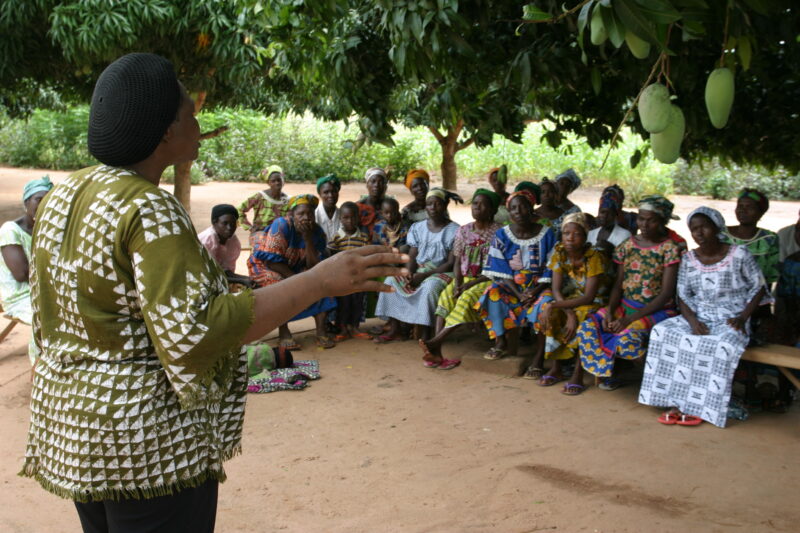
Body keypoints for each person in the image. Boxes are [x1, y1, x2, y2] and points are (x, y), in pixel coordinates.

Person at [22, 53, 407, 533]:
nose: (198, 121)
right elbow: (195, 334)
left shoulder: (64, 194)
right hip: (145, 443)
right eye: (189, 113)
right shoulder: (148, 208)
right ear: (165, 131)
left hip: (74, 428)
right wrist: (320, 280)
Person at [638, 207, 767, 427]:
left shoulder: (739, 254)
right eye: (694, 229)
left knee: (720, 345)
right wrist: (693, 322)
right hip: (699, 315)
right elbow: (683, 295)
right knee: (663, 332)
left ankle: (702, 406)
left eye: (704, 227)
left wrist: (743, 317)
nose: (699, 233)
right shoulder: (688, 259)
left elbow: (759, 287)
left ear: (716, 227)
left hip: (731, 318)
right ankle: (676, 402)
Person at [576, 195, 683, 390]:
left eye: (651, 219)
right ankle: (608, 371)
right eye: (641, 218)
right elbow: (618, 285)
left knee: (627, 340)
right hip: (626, 306)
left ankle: (658, 382)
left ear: (662, 221)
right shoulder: (628, 245)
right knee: (588, 327)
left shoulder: (669, 249)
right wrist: (610, 310)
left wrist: (627, 320)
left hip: (656, 311)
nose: (644, 224)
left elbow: (666, 294)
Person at [528, 213, 613, 394]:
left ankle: (578, 373)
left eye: (576, 234)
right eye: (566, 233)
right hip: (570, 298)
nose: (570, 238)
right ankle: (556, 367)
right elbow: (556, 289)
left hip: (595, 300)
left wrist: (559, 306)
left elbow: (589, 297)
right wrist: (567, 312)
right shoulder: (559, 252)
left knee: (584, 318)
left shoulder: (594, 257)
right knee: (549, 312)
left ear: (585, 236)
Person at [418, 189, 503, 369]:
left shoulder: (499, 233)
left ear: (493, 210)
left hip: (486, 280)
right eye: (475, 203)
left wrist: (469, 284)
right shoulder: (464, 231)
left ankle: (434, 342)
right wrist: (457, 283)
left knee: (465, 299)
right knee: (446, 297)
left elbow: (495, 268)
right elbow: (457, 261)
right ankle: (437, 352)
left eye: (482, 205)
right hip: (463, 278)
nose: (477, 207)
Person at [249, 194, 338, 349]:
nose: (306, 218)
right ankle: (284, 332)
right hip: (265, 266)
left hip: (295, 266)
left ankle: (321, 331)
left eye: (310, 214)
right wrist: (296, 280)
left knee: (321, 283)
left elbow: (315, 266)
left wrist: (308, 239)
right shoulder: (281, 225)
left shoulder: (316, 232)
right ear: (291, 215)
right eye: (301, 214)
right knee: (280, 286)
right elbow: (271, 261)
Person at [477, 188, 557, 360]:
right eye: (513, 208)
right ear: (509, 212)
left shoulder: (547, 233)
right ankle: (500, 342)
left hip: (540, 288)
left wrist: (534, 292)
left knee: (547, 304)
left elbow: (553, 266)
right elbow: (499, 268)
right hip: (512, 288)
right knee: (492, 293)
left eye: (523, 207)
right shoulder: (502, 235)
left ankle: (539, 356)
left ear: (531, 208)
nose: (518, 212)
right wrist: (519, 294)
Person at [374, 189, 459, 342]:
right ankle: (395, 329)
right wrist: (409, 273)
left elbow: (450, 263)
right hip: (419, 268)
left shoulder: (454, 230)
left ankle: (426, 333)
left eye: (437, 204)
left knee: (429, 289)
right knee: (391, 282)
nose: (433, 208)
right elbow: (412, 255)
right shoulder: (418, 228)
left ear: (445, 205)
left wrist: (423, 276)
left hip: (441, 272)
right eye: (429, 204)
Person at [0, 176, 53, 363]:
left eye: (48, 200)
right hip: (18, 295)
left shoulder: (47, 229)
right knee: (44, 319)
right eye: (39, 199)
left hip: (43, 291)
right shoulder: (10, 230)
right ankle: (39, 370)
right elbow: (21, 274)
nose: (43, 204)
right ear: (26, 203)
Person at [327, 202, 372, 341]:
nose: (350, 221)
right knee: (343, 303)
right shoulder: (337, 237)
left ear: (358, 218)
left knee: (357, 302)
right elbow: (330, 254)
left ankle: (354, 327)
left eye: (353, 218)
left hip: (358, 277)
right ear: (340, 219)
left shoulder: (363, 238)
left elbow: (368, 256)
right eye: (346, 218)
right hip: (342, 278)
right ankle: (342, 328)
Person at [722, 189, 779, 286]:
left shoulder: (769, 239)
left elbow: (768, 277)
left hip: (756, 296)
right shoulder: (722, 235)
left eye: (750, 207)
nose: (743, 211)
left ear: (761, 212)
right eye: (740, 206)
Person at [197, 204, 253, 288]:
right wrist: (242, 280)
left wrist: (246, 278)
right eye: (225, 223)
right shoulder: (207, 241)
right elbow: (210, 273)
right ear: (214, 222)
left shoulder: (233, 241)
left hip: (218, 279)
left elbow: (226, 270)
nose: (230, 228)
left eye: (233, 224)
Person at [237, 165, 289, 248]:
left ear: (283, 181)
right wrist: (249, 227)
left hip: (279, 234)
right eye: (273, 181)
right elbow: (239, 210)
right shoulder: (260, 196)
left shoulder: (286, 200)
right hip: (260, 233)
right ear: (268, 183)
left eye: (279, 180)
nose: (277, 183)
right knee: (260, 252)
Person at [587, 188, 632, 257]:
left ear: (615, 215)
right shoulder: (591, 234)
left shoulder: (625, 235)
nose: (604, 216)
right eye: (602, 212)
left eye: (609, 213)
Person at [357, 167, 390, 234]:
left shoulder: (391, 207)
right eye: (373, 181)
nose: (376, 185)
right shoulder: (358, 207)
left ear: (385, 186)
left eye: (380, 182)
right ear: (367, 185)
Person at [315, 173, 341, 241]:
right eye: (326, 192)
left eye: (334, 191)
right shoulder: (314, 215)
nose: (330, 195)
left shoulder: (343, 215)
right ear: (320, 194)